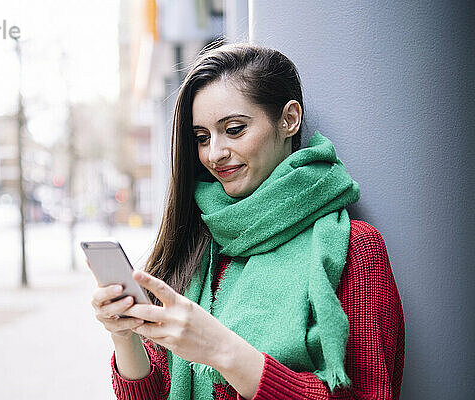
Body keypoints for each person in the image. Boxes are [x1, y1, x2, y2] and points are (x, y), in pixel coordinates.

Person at [89, 43, 405, 400]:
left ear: (289, 120)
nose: (214, 153)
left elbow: (368, 394)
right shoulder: (200, 241)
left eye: (235, 129)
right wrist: (124, 334)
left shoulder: (353, 247)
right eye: (202, 137)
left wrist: (224, 351)